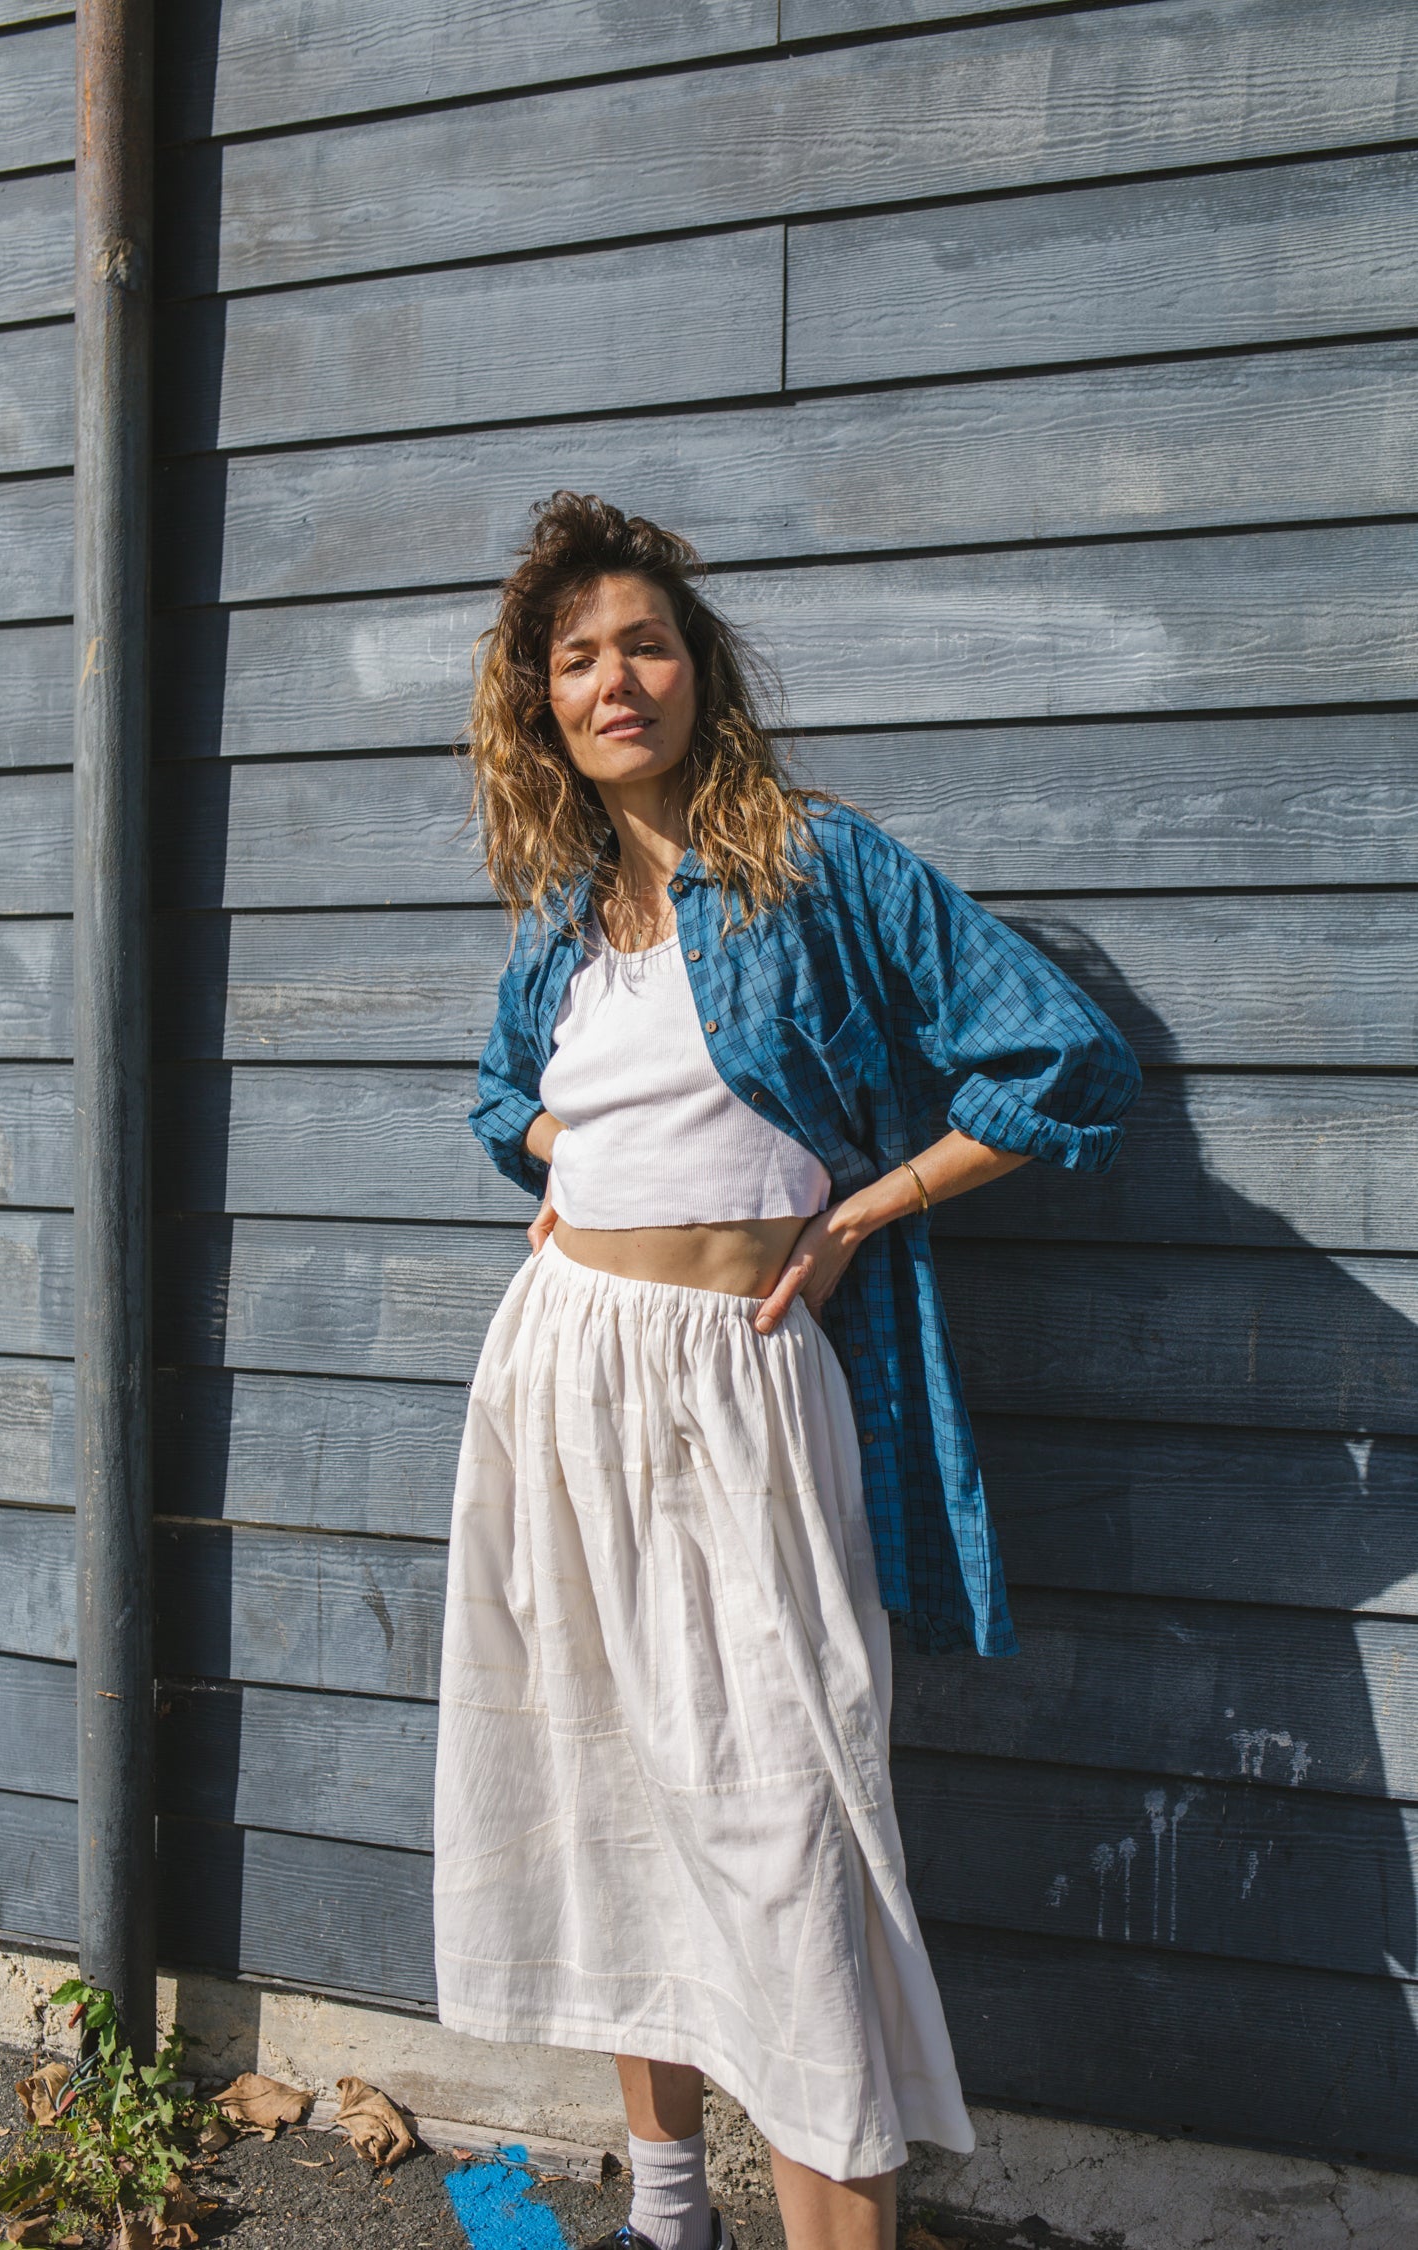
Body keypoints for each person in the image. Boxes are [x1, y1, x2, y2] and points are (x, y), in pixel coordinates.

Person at [432, 493, 1142, 2250]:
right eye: (577, 660)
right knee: (603, 1785)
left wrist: (864, 1213)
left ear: (701, 669)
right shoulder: (565, 915)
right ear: (544, 711)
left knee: (787, 1832)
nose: (617, 680)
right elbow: (496, 1100)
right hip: (560, 1388)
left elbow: (1069, 1065)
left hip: (739, 1401)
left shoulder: (820, 868)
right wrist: (562, 1176)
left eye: (645, 644)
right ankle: (669, 2209)